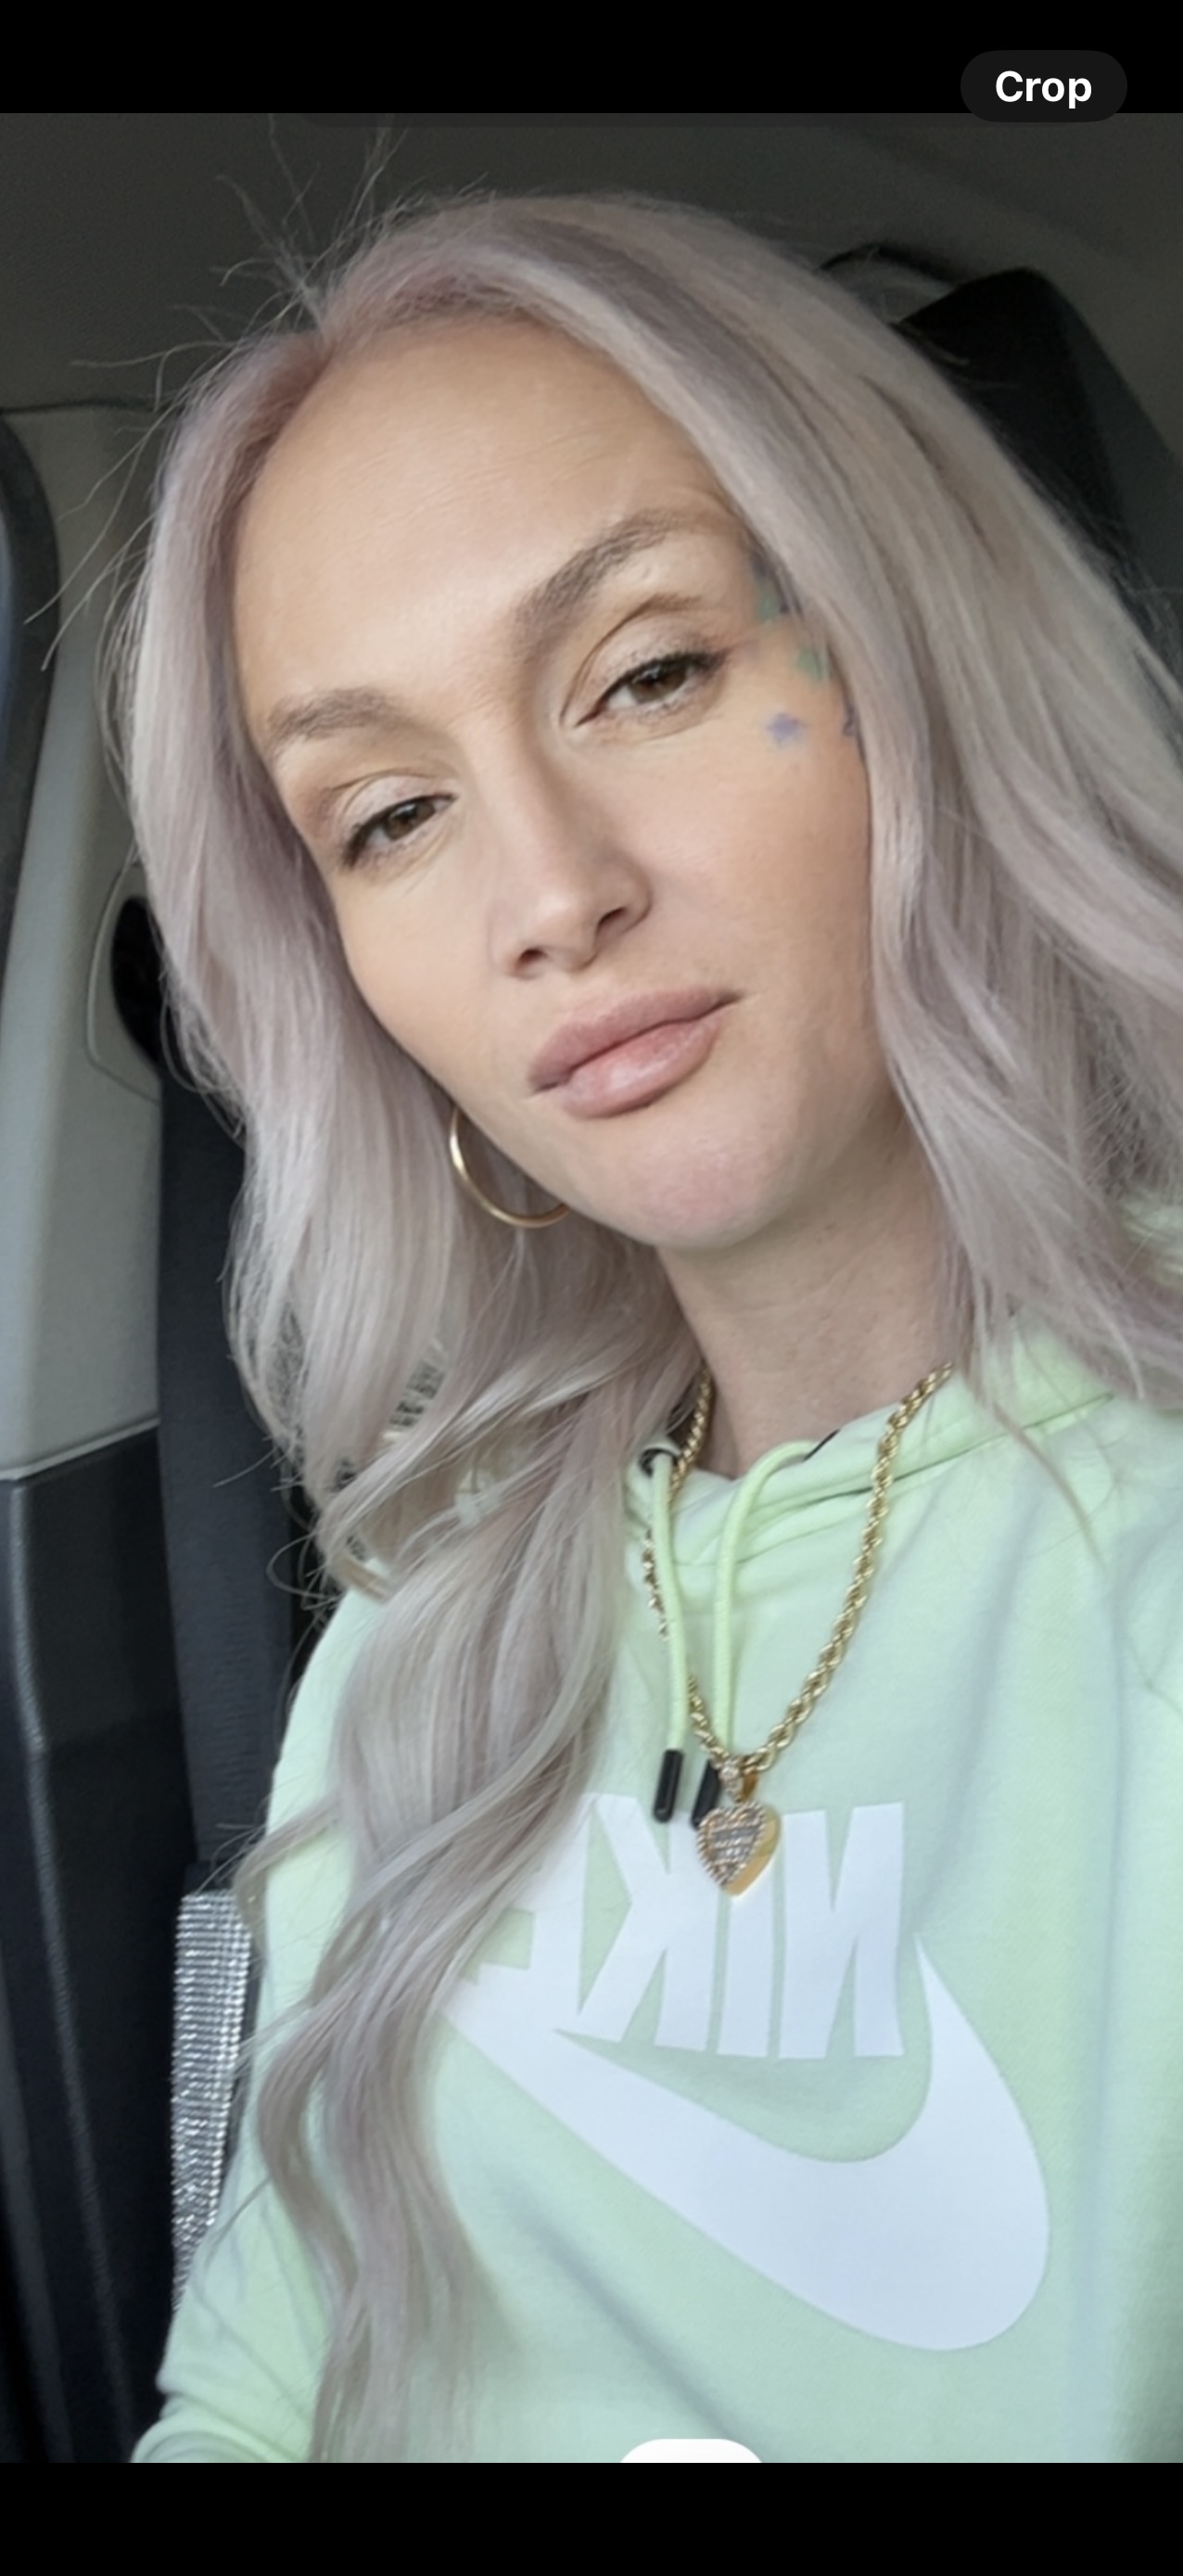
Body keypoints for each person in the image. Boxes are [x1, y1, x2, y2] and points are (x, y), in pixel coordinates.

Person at [122, 195, 1183, 2464]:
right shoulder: (423, 1630)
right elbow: (252, 2389)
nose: (549, 893)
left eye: (652, 675)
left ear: (917, 652)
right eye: (391, 814)